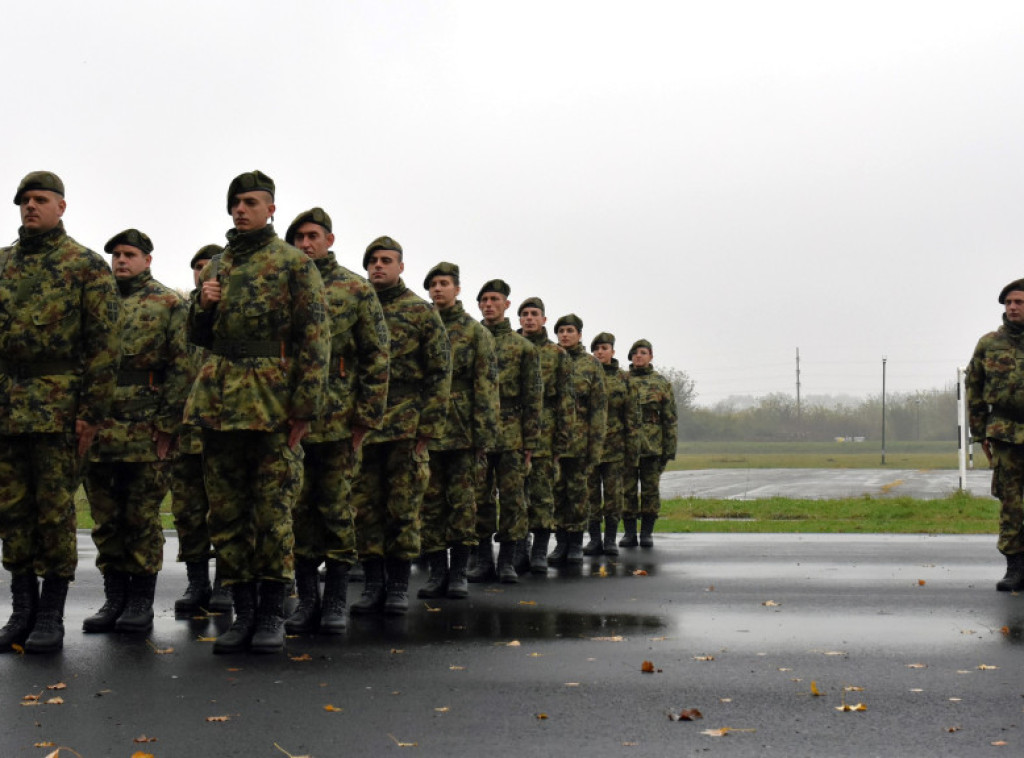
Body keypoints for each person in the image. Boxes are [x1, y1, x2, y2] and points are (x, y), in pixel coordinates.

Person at [185, 170, 330, 654]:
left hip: (271, 403)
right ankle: (243, 612)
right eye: (234, 203)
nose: (240, 210)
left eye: (250, 202)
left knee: (271, 511)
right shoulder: (218, 266)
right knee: (226, 513)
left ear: (271, 208)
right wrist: (202, 307)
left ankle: (271, 611)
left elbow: (314, 337)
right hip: (220, 402)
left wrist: (305, 408)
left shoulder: (293, 263)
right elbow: (199, 337)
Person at [0, 171, 121, 654]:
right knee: (12, 514)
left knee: (53, 514)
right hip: (8, 408)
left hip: (60, 410)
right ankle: (21, 609)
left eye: (40, 199)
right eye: (25, 201)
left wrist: (91, 413)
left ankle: (51, 613)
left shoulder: (86, 266)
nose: (31, 207)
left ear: (61, 207)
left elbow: (105, 347)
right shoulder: (3, 265)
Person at [283, 208, 389, 634]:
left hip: (339, 419)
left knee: (338, 510)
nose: (305, 244)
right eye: (298, 238)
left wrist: (366, 417)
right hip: (290, 420)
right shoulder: (284, 282)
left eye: (312, 236)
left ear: (329, 239)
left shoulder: (354, 288)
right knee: (299, 512)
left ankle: (336, 600)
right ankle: (307, 600)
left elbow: (376, 356)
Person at [81, 229, 191, 635]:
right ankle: (115, 598)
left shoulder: (167, 304)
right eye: (115, 255)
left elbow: (181, 368)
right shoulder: (97, 302)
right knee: (107, 520)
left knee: (141, 518)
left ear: (147, 259)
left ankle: (141, 601)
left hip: (146, 431)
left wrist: (168, 426)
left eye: (129, 254)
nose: (120, 261)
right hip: (100, 430)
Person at [350, 237, 450, 615]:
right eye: (373, 260)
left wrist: (430, 426)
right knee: (365, 507)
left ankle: (397, 586)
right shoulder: (358, 305)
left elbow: (440, 372)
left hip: (407, 423)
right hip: (363, 424)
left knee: (404, 507)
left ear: (401, 267)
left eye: (386, 260)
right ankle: (373, 583)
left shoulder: (422, 312)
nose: (379, 266)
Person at [419, 263, 499, 598]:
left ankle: (459, 574)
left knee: (464, 505)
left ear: (457, 289)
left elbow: (486, 386)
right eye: (434, 284)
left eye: (444, 283)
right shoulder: (422, 325)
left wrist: (483, 436)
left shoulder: (475, 332)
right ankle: (437, 573)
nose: (438, 289)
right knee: (430, 505)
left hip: (464, 433)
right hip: (428, 431)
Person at [169, 244, 232, 615]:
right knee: (188, 512)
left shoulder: (229, 316)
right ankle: (197, 583)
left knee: (224, 509)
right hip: (184, 431)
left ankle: (225, 581)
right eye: (197, 266)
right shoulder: (180, 313)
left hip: (221, 427)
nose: (201, 271)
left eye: (208, 267)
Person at [470, 280, 542, 583]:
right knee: (480, 499)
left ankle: (508, 562)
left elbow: (533, 397)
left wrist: (531, 441)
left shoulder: (522, 347)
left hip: (512, 432)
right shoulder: (472, 339)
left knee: (513, 500)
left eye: (494, 299)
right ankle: (483, 560)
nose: (489, 304)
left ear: (506, 304)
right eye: (484, 300)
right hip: (477, 433)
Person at [966, 279, 1024, 592]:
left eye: (1019, 302)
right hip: (1005, 434)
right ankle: (1014, 568)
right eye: (1009, 302)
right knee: (1011, 504)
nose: (1013, 307)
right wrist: (979, 433)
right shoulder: (989, 344)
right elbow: (973, 388)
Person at [517, 297, 572, 573]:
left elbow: (565, 400)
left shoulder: (557, 354)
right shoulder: (511, 347)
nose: (529, 318)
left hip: (545, 436)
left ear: (544, 320)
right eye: (525, 314)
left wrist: (561, 442)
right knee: (515, 496)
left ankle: (539, 550)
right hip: (512, 433)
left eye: (534, 314)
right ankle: (519, 547)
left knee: (541, 495)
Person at [550, 314, 607, 565]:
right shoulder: (550, 358)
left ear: (580, 334)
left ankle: (575, 542)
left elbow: (599, 410)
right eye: (561, 330)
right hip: (553, 441)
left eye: (570, 330)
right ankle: (560, 542)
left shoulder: (591, 366)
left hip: (580, 441)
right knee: (556, 493)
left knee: (577, 493)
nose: (565, 335)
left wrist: (595, 447)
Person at [585, 332, 638, 556]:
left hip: (616, 448)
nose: (600, 352)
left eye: (604, 348)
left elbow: (633, 417)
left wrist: (633, 450)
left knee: (614, 496)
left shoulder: (625, 380)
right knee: (591, 495)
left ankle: (609, 540)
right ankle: (594, 539)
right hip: (590, 447)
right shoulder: (586, 376)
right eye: (596, 348)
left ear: (613, 352)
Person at [621, 339, 677, 549]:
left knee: (650, 491)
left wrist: (669, 450)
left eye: (643, 352)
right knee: (626, 490)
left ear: (651, 356)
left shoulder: (661, 383)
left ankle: (646, 533)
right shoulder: (622, 380)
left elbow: (670, 419)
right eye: (635, 353)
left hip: (653, 446)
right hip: (627, 446)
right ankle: (628, 533)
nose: (638, 356)